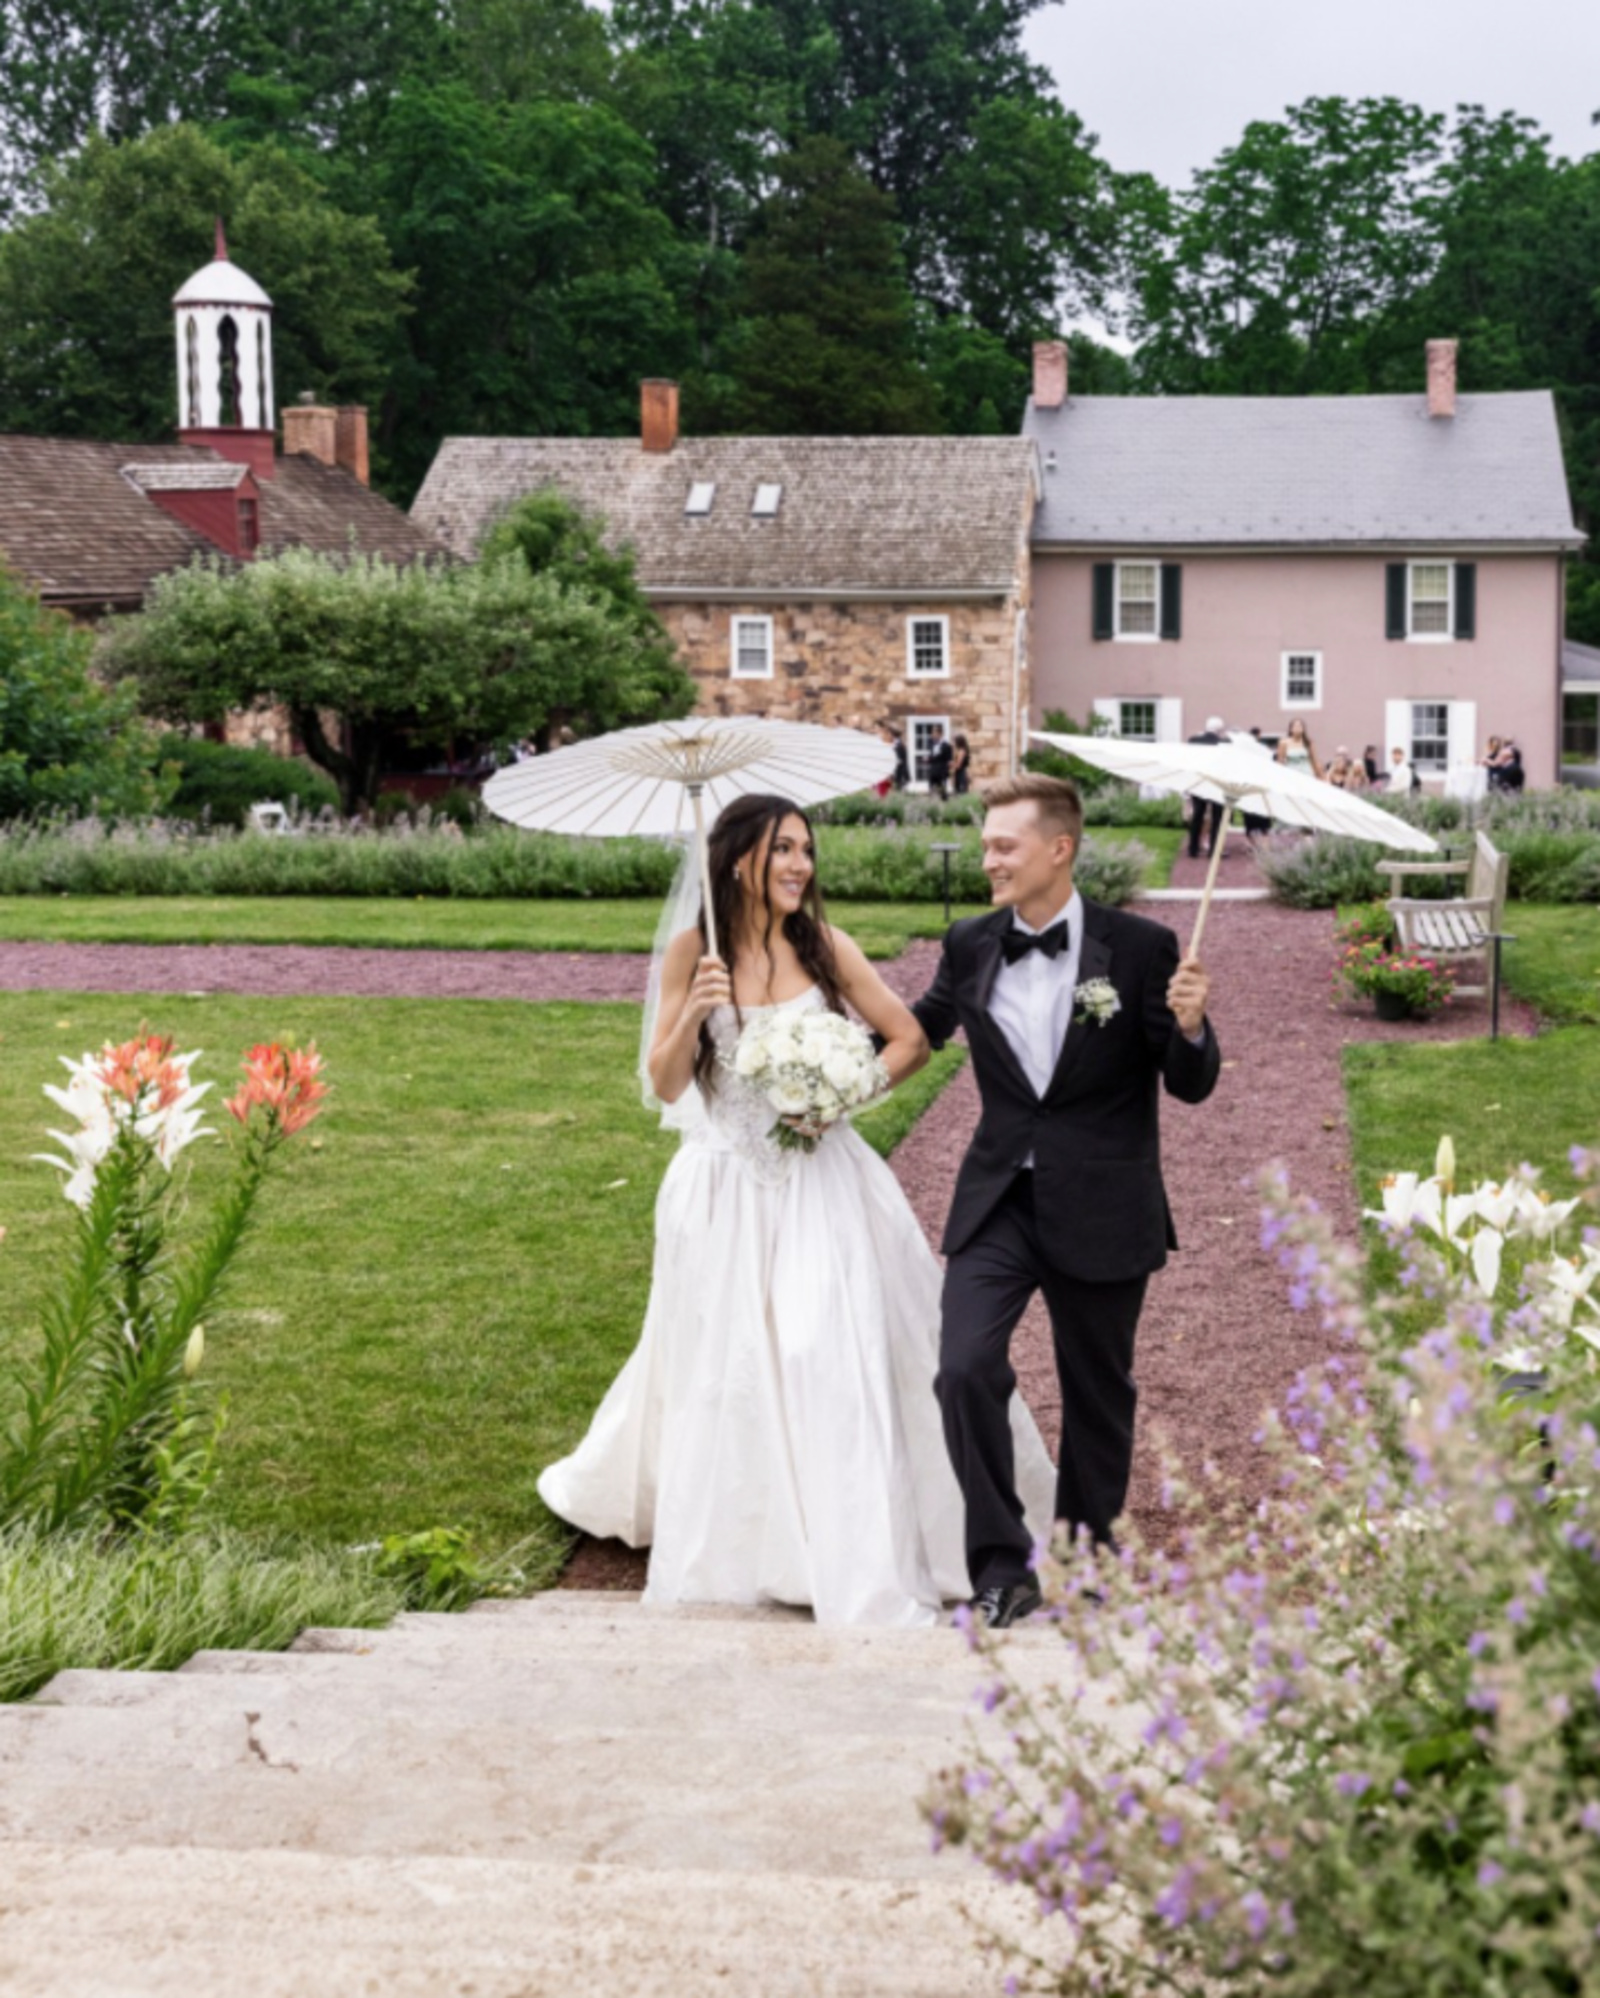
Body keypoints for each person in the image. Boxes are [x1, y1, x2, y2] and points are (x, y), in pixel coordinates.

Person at [538, 793, 1057, 1626]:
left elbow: (910, 1040)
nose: (800, 865)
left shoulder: (825, 946)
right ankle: (753, 1535)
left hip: (823, 1182)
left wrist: (844, 1093)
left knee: (824, 1344)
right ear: (740, 856)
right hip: (723, 1188)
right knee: (730, 1360)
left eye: (806, 851)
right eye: (783, 849)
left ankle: (860, 1530)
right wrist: (695, 1013)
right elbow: (666, 1083)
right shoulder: (689, 953)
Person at [910, 774, 1220, 1628]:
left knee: (1097, 1390)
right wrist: (825, 1066)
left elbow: (1187, 1085)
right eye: (985, 845)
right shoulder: (970, 943)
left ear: (1060, 849)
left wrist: (1193, 1027)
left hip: (1106, 1199)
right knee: (963, 1368)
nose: (988, 860)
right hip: (1000, 1196)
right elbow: (922, 1027)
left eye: (1003, 845)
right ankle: (1002, 1566)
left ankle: (1088, 1557)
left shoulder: (1146, 950)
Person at [1184, 715, 1227, 859]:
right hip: (1217, 784)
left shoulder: (1193, 741)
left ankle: (1193, 849)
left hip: (1200, 782)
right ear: (1219, 729)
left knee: (1197, 816)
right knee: (1217, 819)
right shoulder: (1224, 743)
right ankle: (1214, 851)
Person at [927, 724, 954, 800]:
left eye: (934, 733)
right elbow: (931, 757)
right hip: (932, 771)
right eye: (932, 733)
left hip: (942, 772)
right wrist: (928, 759)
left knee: (943, 792)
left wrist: (949, 770)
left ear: (940, 734)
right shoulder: (931, 744)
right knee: (931, 791)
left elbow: (949, 760)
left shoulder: (947, 746)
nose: (932, 734)